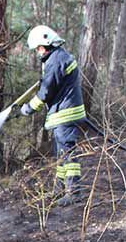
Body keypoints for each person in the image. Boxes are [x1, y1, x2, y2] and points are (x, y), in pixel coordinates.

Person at [17, 25, 86, 206]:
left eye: (39, 48)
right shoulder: (57, 58)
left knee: (68, 154)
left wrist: (29, 108)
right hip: (62, 114)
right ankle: (59, 190)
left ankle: (74, 192)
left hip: (65, 114)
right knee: (61, 154)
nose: (38, 52)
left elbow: (46, 92)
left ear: (46, 43)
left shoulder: (56, 61)